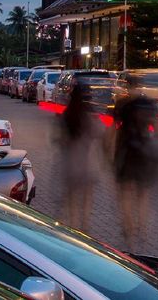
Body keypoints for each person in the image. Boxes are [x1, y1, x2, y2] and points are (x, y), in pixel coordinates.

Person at [110, 74, 158, 252]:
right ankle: (143, 231)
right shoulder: (150, 105)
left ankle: (129, 235)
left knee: (125, 196)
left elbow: (113, 131)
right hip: (144, 154)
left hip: (126, 153)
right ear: (140, 86)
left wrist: (110, 154)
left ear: (126, 86)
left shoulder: (122, 105)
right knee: (143, 195)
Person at [60, 80, 96, 232]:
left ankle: (73, 227)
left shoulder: (67, 113)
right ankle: (85, 226)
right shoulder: (89, 113)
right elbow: (98, 133)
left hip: (71, 161)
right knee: (87, 197)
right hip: (87, 161)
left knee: (72, 197)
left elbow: (60, 139)